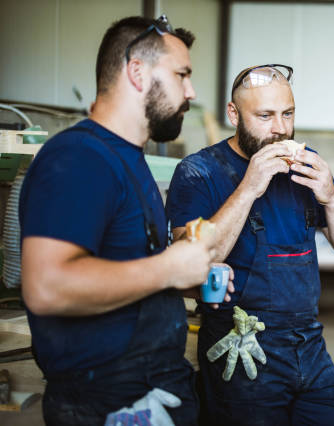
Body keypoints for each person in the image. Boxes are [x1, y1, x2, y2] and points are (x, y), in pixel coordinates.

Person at [19, 15, 231, 426]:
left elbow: (125, 268)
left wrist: (186, 277)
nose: (191, 91)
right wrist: (169, 266)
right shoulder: (80, 157)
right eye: (182, 74)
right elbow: (47, 287)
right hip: (103, 405)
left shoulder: (128, 159)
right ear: (137, 72)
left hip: (148, 393)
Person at [165, 64, 334, 425]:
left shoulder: (304, 167)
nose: (280, 129)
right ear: (233, 114)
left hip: (309, 343)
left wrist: (331, 197)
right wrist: (249, 186)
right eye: (265, 116)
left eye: (287, 114)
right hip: (242, 347)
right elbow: (186, 261)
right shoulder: (198, 173)